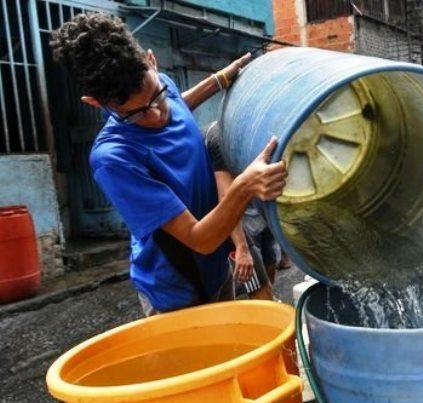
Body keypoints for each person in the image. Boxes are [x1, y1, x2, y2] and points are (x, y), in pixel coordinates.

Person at [51, 13, 287, 316]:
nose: (156, 116)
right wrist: (245, 186)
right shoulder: (114, 158)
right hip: (177, 293)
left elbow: (176, 103)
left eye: (157, 98)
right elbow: (199, 239)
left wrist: (218, 80)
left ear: (152, 61)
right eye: (135, 115)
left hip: (217, 267)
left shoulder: (162, 86)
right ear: (96, 103)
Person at [203, 121, 277, 301]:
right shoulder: (221, 139)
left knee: (269, 262)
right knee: (256, 282)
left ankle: (267, 307)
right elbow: (226, 197)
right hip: (228, 214)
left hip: (253, 204)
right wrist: (241, 249)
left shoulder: (268, 132)